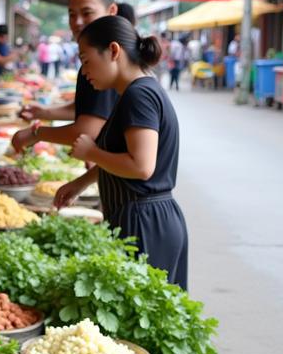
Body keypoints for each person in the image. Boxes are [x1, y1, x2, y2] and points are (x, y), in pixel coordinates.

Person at [56, 15, 188, 289]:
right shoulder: (134, 91)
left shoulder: (138, 95)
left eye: (86, 59)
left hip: (145, 223)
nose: (84, 71)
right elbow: (123, 156)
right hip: (143, 218)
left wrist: (91, 151)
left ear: (114, 51)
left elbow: (141, 166)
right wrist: (80, 183)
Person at [12, 0, 119, 154]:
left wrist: (36, 133)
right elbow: (89, 108)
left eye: (87, 13)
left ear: (111, 11)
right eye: (72, 14)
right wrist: (43, 113)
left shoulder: (107, 60)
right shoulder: (96, 57)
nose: (77, 22)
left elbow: (88, 131)